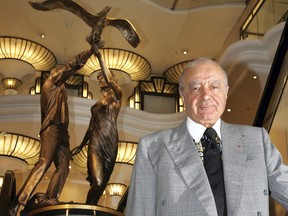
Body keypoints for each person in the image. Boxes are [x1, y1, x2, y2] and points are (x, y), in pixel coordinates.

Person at [126, 57, 288, 215]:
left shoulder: (257, 139)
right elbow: (140, 210)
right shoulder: (153, 146)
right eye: (196, 88)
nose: (205, 95)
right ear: (183, 95)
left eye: (215, 87)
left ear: (226, 93)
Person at [8, 41, 98, 216]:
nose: (61, 75)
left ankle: (50, 198)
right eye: (59, 72)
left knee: (63, 167)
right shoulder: (50, 84)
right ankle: (18, 202)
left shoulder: (60, 90)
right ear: (53, 75)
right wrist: (89, 52)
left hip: (62, 133)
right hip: (52, 130)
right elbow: (71, 67)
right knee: (44, 162)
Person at [71, 43, 122, 205]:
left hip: (110, 140)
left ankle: (89, 208)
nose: (100, 80)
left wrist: (100, 58)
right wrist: (81, 145)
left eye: (103, 78)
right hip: (95, 142)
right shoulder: (99, 101)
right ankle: (87, 209)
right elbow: (91, 126)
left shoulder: (117, 95)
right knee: (98, 182)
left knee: (101, 184)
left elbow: (109, 78)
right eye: (98, 78)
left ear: (112, 79)